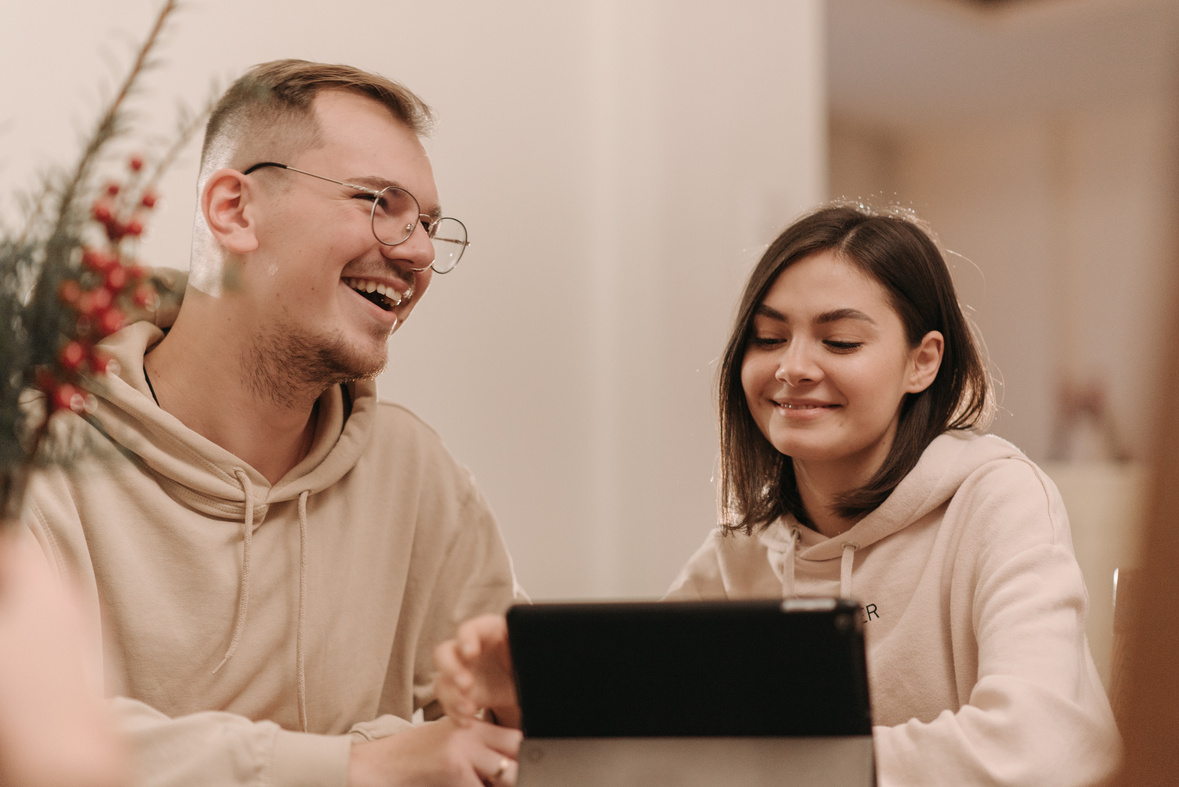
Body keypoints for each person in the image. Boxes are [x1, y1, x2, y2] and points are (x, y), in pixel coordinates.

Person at [434, 204, 1122, 786]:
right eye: (767, 338)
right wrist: (524, 700)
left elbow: (1044, 745)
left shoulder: (997, 500)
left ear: (923, 360)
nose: (792, 367)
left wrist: (790, 764)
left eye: (840, 340)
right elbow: (646, 732)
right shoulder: (742, 554)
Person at [20, 60, 524, 787]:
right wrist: (362, 761)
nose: (416, 252)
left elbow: (512, 735)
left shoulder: (415, 472)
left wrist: (514, 710)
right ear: (234, 209)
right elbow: (36, 748)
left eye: (429, 225)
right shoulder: (35, 456)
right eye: (381, 202)